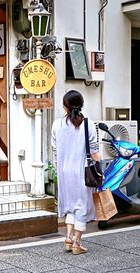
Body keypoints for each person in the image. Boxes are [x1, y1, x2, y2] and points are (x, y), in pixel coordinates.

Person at [51, 90, 100, 255]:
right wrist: (100, 171)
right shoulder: (88, 124)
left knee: (71, 205)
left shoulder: (57, 124)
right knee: (81, 206)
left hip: (64, 172)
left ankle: (68, 237)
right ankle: (77, 243)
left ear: (65, 106)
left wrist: (59, 167)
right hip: (83, 171)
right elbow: (94, 151)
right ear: (81, 104)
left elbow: (55, 149)